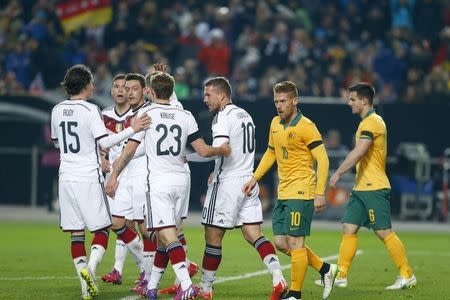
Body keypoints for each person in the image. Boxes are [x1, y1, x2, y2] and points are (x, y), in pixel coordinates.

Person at [105, 72, 230, 300]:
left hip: (159, 182)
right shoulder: (185, 115)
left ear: (150, 91)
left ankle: (185, 284)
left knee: (166, 234)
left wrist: (114, 175)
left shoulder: (146, 114)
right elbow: (202, 150)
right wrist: (221, 150)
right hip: (181, 181)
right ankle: (152, 286)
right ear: (172, 92)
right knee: (165, 237)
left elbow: (129, 150)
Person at [50, 64, 150, 300]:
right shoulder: (90, 110)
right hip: (87, 176)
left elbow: (56, 143)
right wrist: (132, 129)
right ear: (85, 85)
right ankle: (91, 270)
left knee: (76, 234)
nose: (94, 86)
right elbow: (104, 144)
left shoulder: (56, 109)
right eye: (92, 82)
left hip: (65, 177)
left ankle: (85, 287)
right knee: (103, 228)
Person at [243, 81, 337, 300]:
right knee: (281, 243)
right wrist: (255, 178)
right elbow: (270, 153)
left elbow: (322, 159)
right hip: (283, 192)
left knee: (296, 244)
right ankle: (325, 270)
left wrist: (319, 192)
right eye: (276, 101)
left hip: (302, 191)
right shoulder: (275, 123)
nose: (279, 105)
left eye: (283, 101)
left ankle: (295, 294)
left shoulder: (306, 126)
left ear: (295, 101)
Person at [194, 77, 287, 300]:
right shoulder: (245, 114)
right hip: (248, 179)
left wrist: (202, 160)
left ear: (222, 95)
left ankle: (206, 288)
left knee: (213, 236)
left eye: (208, 95)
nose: (204, 99)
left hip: (228, 184)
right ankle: (278, 278)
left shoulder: (222, 118)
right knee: (253, 233)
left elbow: (222, 148)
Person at [326, 82, 416, 290]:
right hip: (361, 188)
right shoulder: (367, 122)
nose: (349, 103)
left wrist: (338, 172)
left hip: (374, 187)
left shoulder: (372, 122)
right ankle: (341, 275)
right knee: (349, 228)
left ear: (364, 101)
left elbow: (359, 152)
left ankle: (407, 274)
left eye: (352, 99)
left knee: (383, 231)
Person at [100, 73, 136, 285]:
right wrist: (102, 158)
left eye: (125, 86)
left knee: (127, 224)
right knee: (118, 224)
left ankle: (137, 270)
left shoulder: (137, 114)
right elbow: (99, 142)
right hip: (112, 176)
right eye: (117, 86)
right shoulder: (104, 115)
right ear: (111, 91)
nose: (121, 90)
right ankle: (118, 269)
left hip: (132, 175)